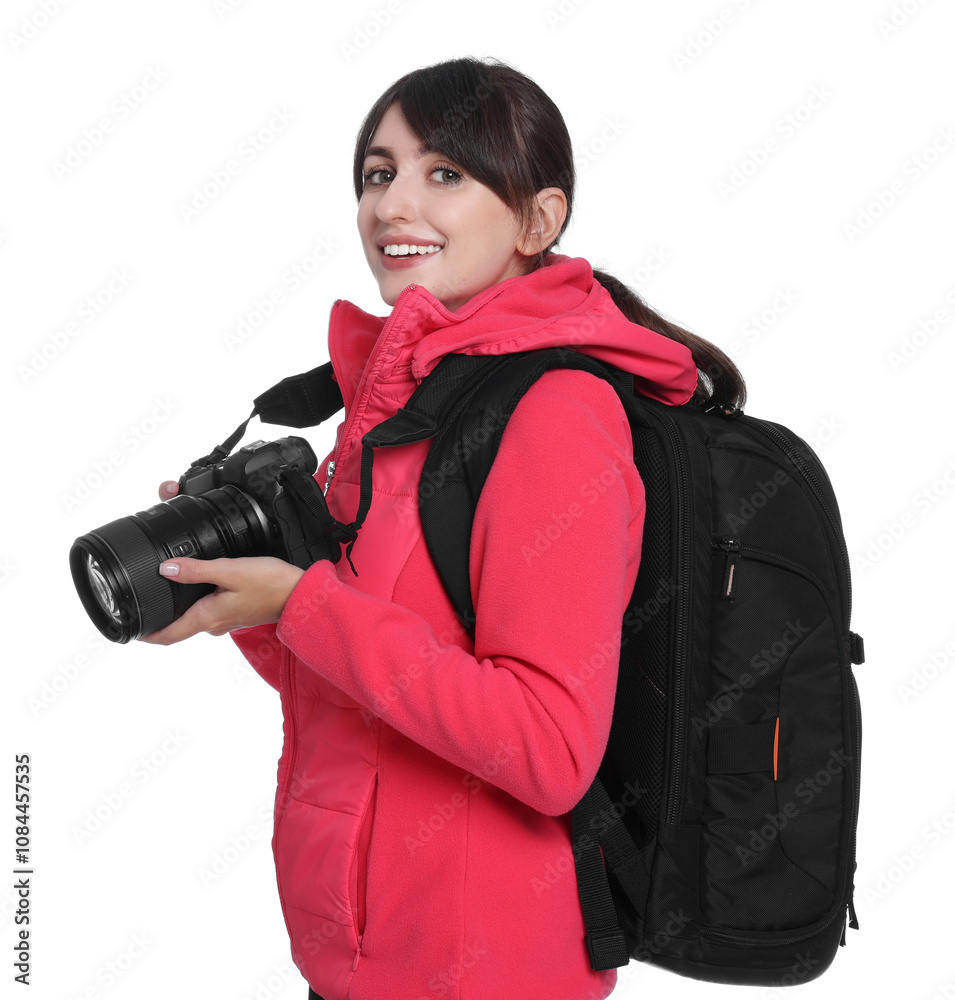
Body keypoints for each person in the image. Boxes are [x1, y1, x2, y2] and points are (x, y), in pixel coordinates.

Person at [141, 57, 744, 1000]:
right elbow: (367, 679)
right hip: (356, 962)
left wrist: (305, 602)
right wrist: (253, 601)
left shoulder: (555, 413)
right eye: (378, 173)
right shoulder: (400, 403)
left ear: (539, 221)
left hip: (485, 970)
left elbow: (545, 747)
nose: (392, 205)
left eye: (445, 173)